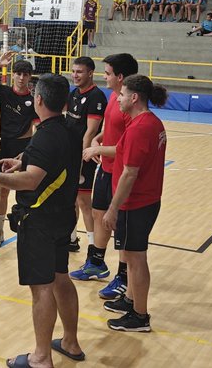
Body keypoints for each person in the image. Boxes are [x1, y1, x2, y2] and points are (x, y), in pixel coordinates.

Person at [0, 73, 85, 368]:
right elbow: (52, 161)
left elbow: (30, 180)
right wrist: (24, 160)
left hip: (39, 221)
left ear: (38, 100)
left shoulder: (46, 135)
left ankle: (41, 357)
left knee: (42, 287)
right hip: (63, 216)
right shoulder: (71, 128)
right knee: (61, 277)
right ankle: (70, 342)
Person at [102, 74, 168, 332]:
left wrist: (113, 208)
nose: (118, 98)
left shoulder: (140, 128)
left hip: (135, 204)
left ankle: (140, 316)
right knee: (131, 257)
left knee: (136, 258)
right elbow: (122, 153)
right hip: (146, 201)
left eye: (122, 94)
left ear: (134, 97)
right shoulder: (150, 122)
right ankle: (130, 300)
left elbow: (130, 173)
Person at [73, 53, 137, 298]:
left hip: (120, 172)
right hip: (106, 169)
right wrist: (99, 138)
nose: (104, 77)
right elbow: (110, 128)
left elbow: (128, 147)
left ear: (120, 77)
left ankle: (123, 276)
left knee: (118, 224)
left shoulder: (131, 107)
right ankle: (96, 262)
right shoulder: (113, 97)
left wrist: (97, 149)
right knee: (99, 214)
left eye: (108, 73)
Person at [0, 52, 39, 247]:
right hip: (6, 146)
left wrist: (30, 150)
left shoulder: (33, 100)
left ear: (29, 77)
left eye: (25, 75)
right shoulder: (3, 92)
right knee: (3, 190)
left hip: (25, 147)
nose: (21, 78)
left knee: (29, 190)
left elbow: (38, 128)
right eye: (18, 74)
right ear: (13, 75)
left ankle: (29, 230)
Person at [68, 56, 107, 254]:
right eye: (73, 71)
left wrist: (81, 160)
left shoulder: (96, 97)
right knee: (71, 199)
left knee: (84, 202)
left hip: (84, 157)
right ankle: (71, 239)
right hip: (70, 154)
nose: (75, 75)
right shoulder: (74, 93)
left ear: (90, 73)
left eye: (79, 72)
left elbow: (90, 132)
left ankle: (93, 246)